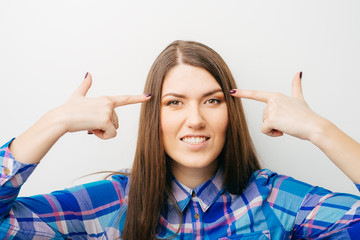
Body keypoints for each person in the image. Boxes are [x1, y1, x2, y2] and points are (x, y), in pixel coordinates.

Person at [1, 40, 360, 239]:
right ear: (153, 116)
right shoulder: (112, 204)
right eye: (175, 103)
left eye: (212, 100)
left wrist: (319, 130)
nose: (195, 119)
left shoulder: (275, 200)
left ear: (230, 113)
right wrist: (56, 121)